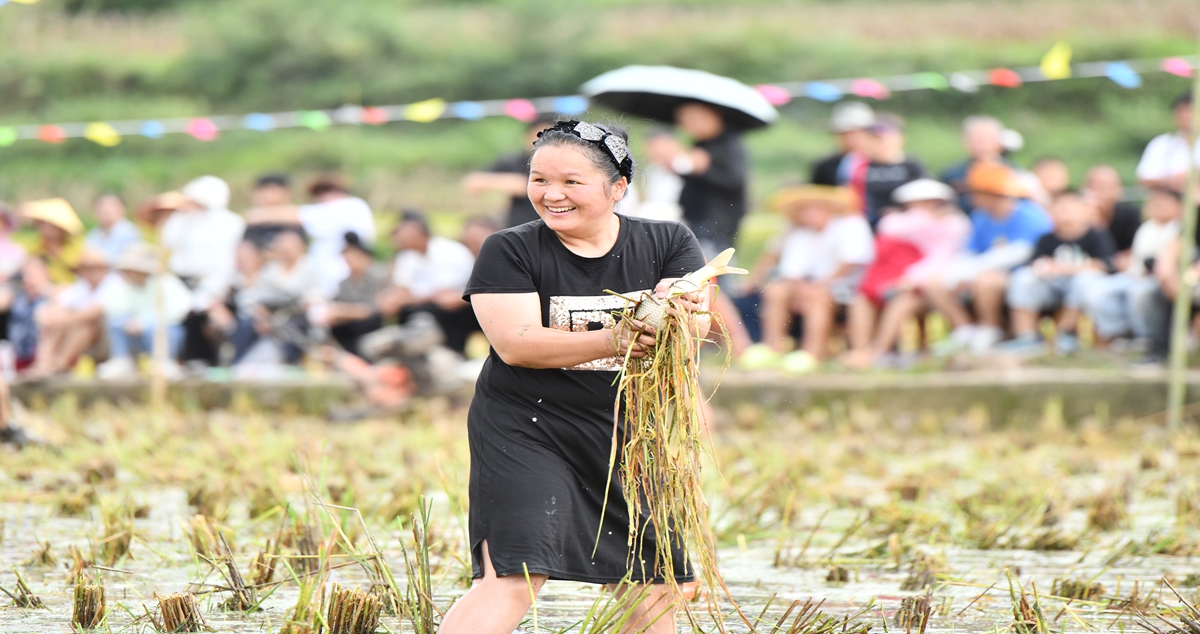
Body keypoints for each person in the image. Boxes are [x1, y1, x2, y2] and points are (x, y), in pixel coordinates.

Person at [438, 120, 707, 634]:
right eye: (539, 180)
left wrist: (679, 312)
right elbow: (516, 344)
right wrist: (616, 339)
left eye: (571, 182)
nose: (551, 194)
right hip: (527, 428)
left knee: (651, 585)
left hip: (629, 433)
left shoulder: (668, 241)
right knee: (515, 573)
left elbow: (694, 326)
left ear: (617, 188)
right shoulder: (510, 249)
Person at [922, 162, 1052, 353]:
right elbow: (970, 251)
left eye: (976, 193)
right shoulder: (981, 217)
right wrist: (959, 274)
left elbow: (1021, 252)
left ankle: (991, 329)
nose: (971, 198)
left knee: (986, 281)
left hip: (1025, 274)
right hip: (981, 270)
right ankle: (964, 330)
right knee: (934, 282)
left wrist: (971, 271)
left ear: (993, 194)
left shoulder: (1029, 214)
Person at [844, 179, 971, 369]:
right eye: (920, 202)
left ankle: (878, 353)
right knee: (861, 299)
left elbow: (942, 259)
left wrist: (909, 280)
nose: (926, 205)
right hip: (898, 280)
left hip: (932, 283)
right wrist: (926, 219)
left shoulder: (953, 224)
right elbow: (889, 228)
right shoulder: (898, 221)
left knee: (904, 301)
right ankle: (860, 350)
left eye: (931, 201)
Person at [748, 186, 874, 366]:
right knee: (776, 291)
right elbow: (791, 272)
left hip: (847, 288)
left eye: (816, 208)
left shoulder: (850, 225)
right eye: (804, 209)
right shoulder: (799, 234)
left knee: (818, 297)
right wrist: (802, 290)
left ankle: (812, 353)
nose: (810, 214)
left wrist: (817, 287)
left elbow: (850, 262)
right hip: (811, 286)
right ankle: (772, 346)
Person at [1002, 192, 1116, 355]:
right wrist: (1044, 267)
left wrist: (1065, 268)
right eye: (1060, 208)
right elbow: (1034, 262)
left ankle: (1065, 334)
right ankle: (1026, 337)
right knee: (1024, 278)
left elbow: (1105, 265)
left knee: (1085, 281)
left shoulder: (1097, 236)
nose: (1065, 212)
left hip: (1080, 288)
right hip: (1051, 285)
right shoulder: (1046, 238)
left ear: (1084, 211)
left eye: (1070, 208)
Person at [1081, 187, 1182, 347]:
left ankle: (1146, 336)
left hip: (1161, 278)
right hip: (1133, 274)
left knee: (1140, 292)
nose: (1158, 206)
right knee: (1096, 290)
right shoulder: (1147, 227)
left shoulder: (1182, 229)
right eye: (1154, 202)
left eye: (1164, 203)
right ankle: (1121, 332)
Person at [162, 176, 246, 367]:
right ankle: (187, 360)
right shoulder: (183, 220)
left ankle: (218, 362)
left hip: (219, 286)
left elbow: (228, 264)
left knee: (213, 320)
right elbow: (168, 241)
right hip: (183, 282)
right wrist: (181, 214)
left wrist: (212, 293)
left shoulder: (231, 223)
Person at [378, 210, 477, 354]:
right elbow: (403, 288)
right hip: (423, 302)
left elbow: (443, 292)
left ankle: (453, 352)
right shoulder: (406, 255)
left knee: (445, 305)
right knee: (396, 308)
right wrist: (393, 299)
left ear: (420, 235)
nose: (399, 240)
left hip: (459, 301)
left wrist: (407, 298)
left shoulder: (448, 251)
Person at [96, 244, 191, 379]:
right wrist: (129, 321)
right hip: (135, 334)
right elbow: (112, 309)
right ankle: (122, 361)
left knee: (154, 328)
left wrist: (145, 321)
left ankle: (164, 362)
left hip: (166, 332)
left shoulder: (165, 283)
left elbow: (182, 308)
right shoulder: (127, 288)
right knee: (116, 323)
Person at [230, 228, 322, 365]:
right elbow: (259, 296)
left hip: (297, 314)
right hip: (269, 313)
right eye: (281, 249)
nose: (284, 252)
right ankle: (238, 363)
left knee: (291, 327)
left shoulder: (310, 268)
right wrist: (263, 317)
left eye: (287, 249)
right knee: (245, 324)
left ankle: (291, 362)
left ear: (300, 248)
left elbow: (315, 296)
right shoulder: (270, 269)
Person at [28, 250, 120, 378]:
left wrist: (64, 319)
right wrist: (50, 316)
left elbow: (97, 311)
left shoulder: (113, 283)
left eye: (94, 267)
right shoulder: (82, 285)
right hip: (87, 337)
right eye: (85, 268)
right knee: (59, 320)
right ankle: (44, 364)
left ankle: (58, 365)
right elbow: (63, 303)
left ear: (104, 268)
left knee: (82, 324)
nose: (90, 272)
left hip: (113, 340)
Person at [463, 117, 557, 228]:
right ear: (526, 136)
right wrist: (511, 182)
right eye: (539, 136)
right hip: (519, 229)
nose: (543, 142)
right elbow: (473, 183)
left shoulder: (563, 164)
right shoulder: (514, 162)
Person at [298, 175, 377, 298]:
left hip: (346, 275)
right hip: (324, 278)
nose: (324, 196)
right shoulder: (322, 213)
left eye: (328, 191)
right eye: (319, 194)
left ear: (339, 191)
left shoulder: (352, 206)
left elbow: (295, 214)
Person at [314, 232, 390, 357]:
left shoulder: (377, 277)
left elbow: (375, 308)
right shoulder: (344, 283)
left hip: (373, 324)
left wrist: (345, 311)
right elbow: (337, 304)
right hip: (348, 326)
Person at [862, 113, 926, 225]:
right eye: (877, 139)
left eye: (888, 138)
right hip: (867, 220)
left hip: (904, 221)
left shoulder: (911, 165)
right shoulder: (858, 165)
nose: (883, 144)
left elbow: (925, 197)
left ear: (900, 139)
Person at [940, 115, 1009, 210]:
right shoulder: (951, 175)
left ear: (999, 141)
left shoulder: (1013, 174)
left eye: (987, 139)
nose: (982, 145)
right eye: (977, 140)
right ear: (965, 141)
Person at [1136, 91, 1198, 193]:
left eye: (1190, 111)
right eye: (1181, 111)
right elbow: (1144, 179)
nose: (1186, 116)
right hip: (1170, 198)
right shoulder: (1161, 144)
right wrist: (1171, 181)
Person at [1082, 164, 1143, 267]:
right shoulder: (1077, 216)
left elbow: (1136, 246)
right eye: (1098, 186)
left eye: (1109, 187)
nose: (1103, 192)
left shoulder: (1130, 214)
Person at [810, 101, 875, 195]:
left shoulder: (879, 164)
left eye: (855, 132)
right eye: (845, 133)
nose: (850, 138)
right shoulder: (825, 167)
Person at [3, 258, 56, 372]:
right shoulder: (17, 295)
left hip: (42, 354)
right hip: (18, 356)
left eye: (33, 274)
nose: (28, 279)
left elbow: (65, 299)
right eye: (26, 275)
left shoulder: (54, 293)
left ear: (45, 274)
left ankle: (43, 365)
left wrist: (44, 288)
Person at [19, 198, 85, 285]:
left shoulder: (75, 248)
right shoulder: (36, 247)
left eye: (51, 225)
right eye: (43, 224)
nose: (47, 229)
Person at [243, 173, 303, 249]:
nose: (265, 195)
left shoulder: (297, 213)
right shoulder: (253, 214)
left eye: (272, 190)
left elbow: (297, 215)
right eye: (262, 190)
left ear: (286, 192)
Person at [84, 194, 141, 264]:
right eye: (101, 206)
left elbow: (133, 262)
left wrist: (100, 259)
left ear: (122, 209)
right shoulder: (92, 235)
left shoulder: (130, 232)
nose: (106, 209)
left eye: (112, 206)